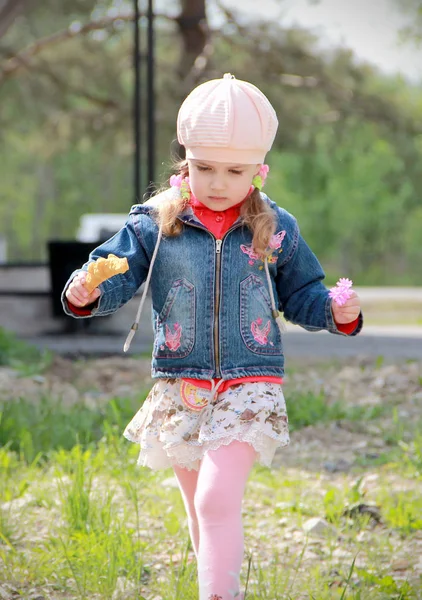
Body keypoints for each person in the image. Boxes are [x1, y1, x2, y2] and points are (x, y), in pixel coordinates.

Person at [62, 73, 362, 600]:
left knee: (215, 502)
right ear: (185, 162)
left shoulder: (275, 227)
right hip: (180, 386)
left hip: (251, 383)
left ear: (259, 171)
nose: (219, 182)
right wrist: (86, 290)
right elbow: (111, 275)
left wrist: (339, 312)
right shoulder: (156, 224)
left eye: (234, 171)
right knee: (199, 510)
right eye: (204, 168)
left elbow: (303, 296)